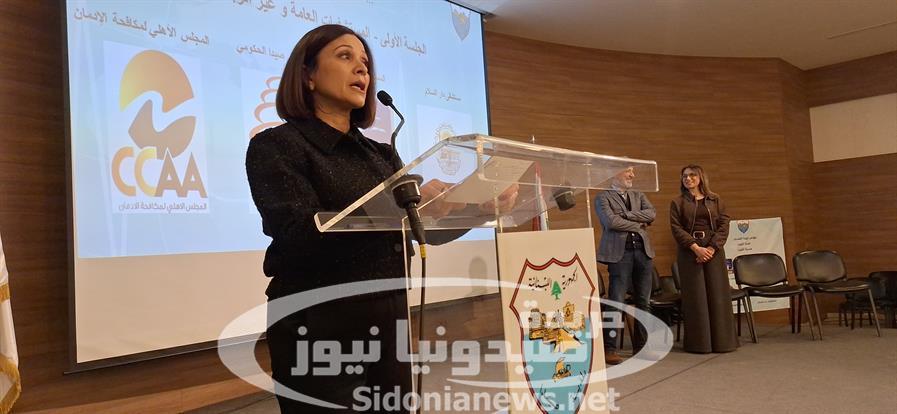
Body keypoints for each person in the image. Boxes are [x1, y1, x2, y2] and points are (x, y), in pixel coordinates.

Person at [246, 25, 517, 413]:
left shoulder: (380, 154)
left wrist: (478, 209)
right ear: (307, 75)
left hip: (389, 323)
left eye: (366, 63)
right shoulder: (276, 146)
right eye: (345, 56)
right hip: (317, 324)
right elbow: (297, 234)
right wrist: (392, 208)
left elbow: (418, 231)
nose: (362, 69)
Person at [669, 164, 737, 354]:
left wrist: (711, 248)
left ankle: (723, 343)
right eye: (684, 176)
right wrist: (696, 248)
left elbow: (724, 224)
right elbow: (676, 228)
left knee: (717, 294)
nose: (688, 178)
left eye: (692, 175)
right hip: (689, 251)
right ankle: (700, 344)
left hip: (713, 250)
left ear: (700, 178)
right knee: (696, 297)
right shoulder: (677, 202)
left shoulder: (715, 199)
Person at [595, 166, 656, 365]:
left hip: (643, 253)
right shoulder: (603, 197)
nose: (632, 175)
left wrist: (626, 215)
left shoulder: (638, 195)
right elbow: (611, 222)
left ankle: (642, 347)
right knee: (617, 301)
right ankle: (610, 349)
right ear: (614, 173)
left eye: (633, 171)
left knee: (644, 302)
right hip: (619, 255)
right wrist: (638, 224)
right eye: (628, 171)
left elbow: (651, 214)